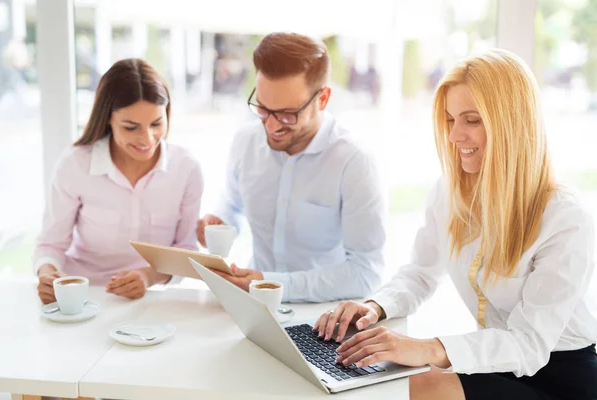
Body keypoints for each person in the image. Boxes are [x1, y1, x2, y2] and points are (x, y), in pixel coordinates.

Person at [314, 49, 597, 400]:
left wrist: (428, 349)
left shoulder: (565, 218)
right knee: (382, 379)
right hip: (497, 360)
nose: (454, 136)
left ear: (510, 123)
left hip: (560, 377)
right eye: (450, 120)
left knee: (419, 383)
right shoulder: (450, 192)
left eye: (472, 120)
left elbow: (528, 344)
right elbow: (420, 273)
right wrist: (375, 307)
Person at [197, 33, 386, 303]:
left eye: (288, 114)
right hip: (254, 308)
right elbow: (232, 204)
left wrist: (270, 283)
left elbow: (366, 272)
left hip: (322, 318)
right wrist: (219, 222)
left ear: (322, 99)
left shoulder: (354, 162)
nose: (272, 127)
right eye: (262, 109)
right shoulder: (245, 141)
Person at [33, 59, 203, 304]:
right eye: (131, 127)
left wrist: (149, 276)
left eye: (156, 123)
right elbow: (50, 243)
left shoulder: (186, 169)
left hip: (151, 300)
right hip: (83, 296)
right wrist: (47, 274)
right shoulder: (76, 164)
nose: (147, 139)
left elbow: (186, 249)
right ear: (108, 119)